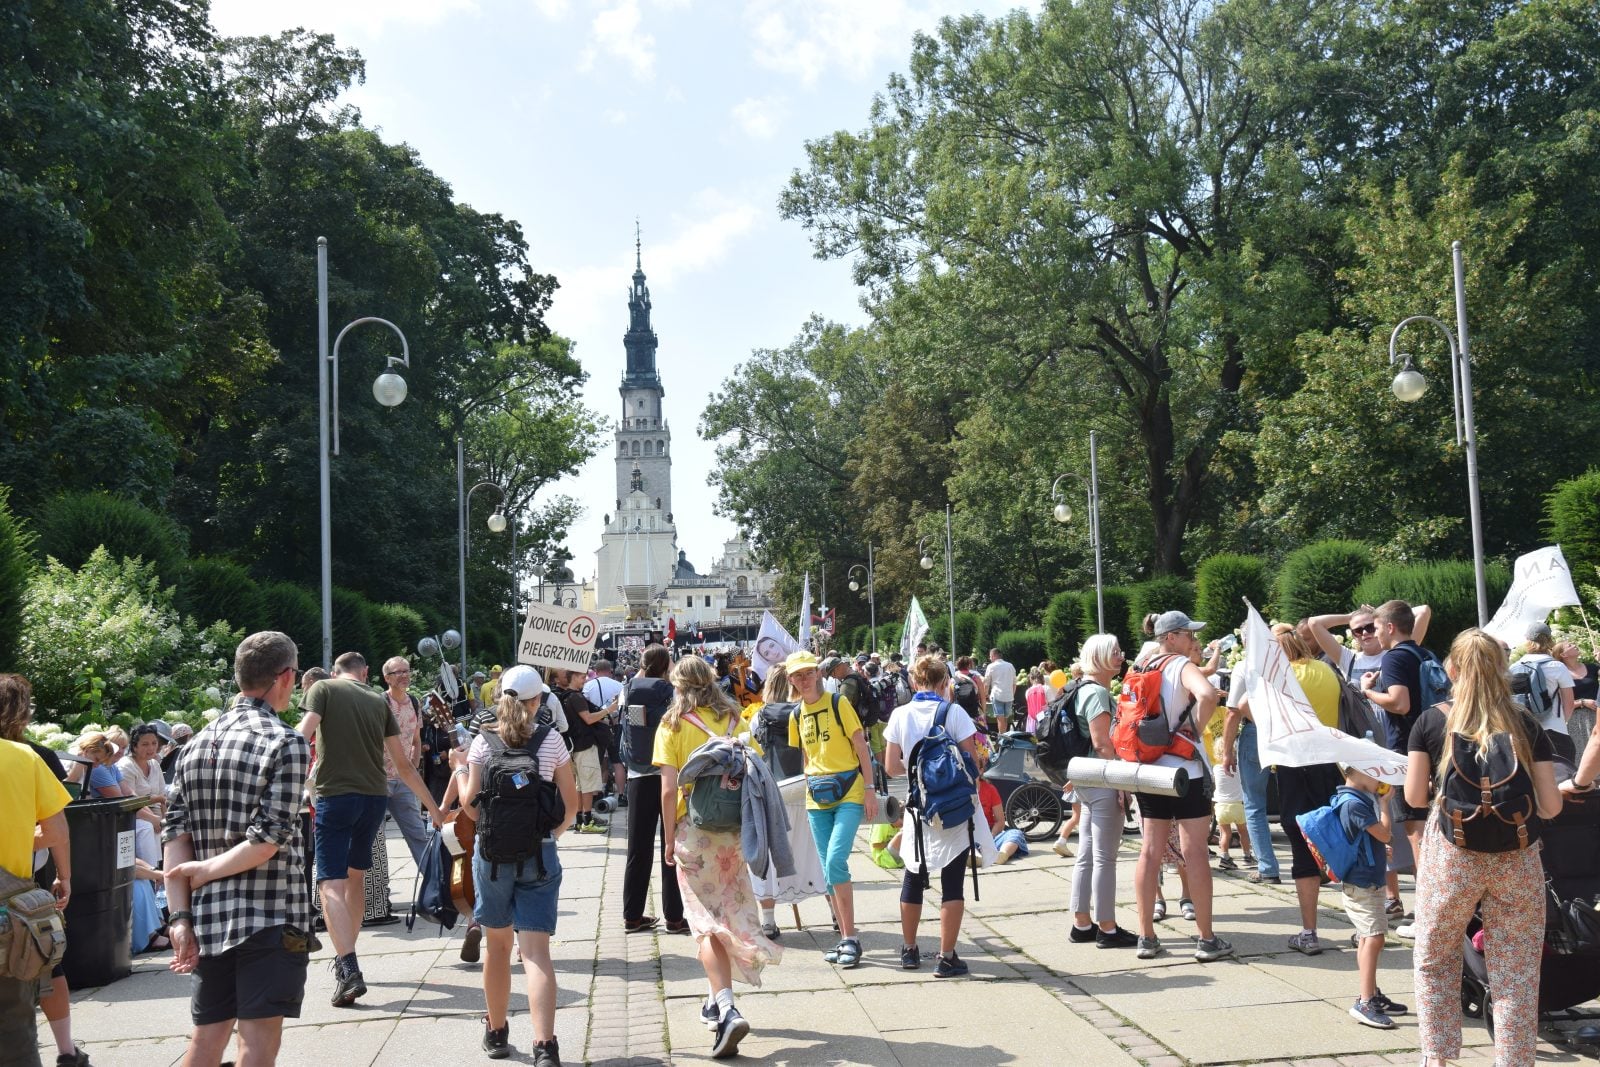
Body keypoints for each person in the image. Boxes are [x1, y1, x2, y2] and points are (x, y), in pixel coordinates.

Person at [1407, 629, 1561, 1067]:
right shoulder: (1526, 724)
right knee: (1515, 971)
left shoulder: (1432, 721)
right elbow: (1548, 807)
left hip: (1452, 855)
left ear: (1451, 670)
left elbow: (1416, 797)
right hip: (1516, 856)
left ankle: (1437, 1059)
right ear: (1502, 669)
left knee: (1435, 958)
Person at [162, 631, 314, 1067]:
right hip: (270, 915)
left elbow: (175, 838)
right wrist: (206, 871)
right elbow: (267, 840)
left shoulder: (191, 747)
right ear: (285, 677)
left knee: (207, 1038)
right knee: (257, 1045)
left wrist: (180, 918)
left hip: (209, 917)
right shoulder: (285, 742)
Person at [297, 651, 443, 1007]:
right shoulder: (380, 704)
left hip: (336, 796)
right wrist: (434, 809)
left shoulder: (324, 689)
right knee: (356, 877)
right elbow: (405, 765)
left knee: (330, 881)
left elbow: (301, 735)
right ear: (365, 672)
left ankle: (348, 966)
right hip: (374, 798)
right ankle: (349, 952)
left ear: (334, 672)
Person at [657, 655, 781, 1059]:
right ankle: (714, 1001)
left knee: (706, 926)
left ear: (678, 685)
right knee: (727, 912)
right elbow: (757, 766)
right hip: (733, 834)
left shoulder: (673, 724)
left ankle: (726, 1008)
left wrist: (669, 839)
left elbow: (667, 790)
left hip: (696, 835)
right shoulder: (733, 718)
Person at [460, 665, 578, 1065]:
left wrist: (460, 771)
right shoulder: (552, 741)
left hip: (492, 857)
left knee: (497, 947)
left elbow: (470, 807)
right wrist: (550, 836)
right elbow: (571, 803)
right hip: (539, 855)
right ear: (537, 701)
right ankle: (545, 1045)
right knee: (536, 954)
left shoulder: (482, 742)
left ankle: (496, 1032)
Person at [884, 654, 994, 977]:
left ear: (914, 682)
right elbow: (972, 764)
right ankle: (946, 957)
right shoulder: (954, 712)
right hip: (954, 810)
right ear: (945, 682)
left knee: (913, 877)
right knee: (953, 883)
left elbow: (891, 767)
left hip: (919, 810)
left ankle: (909, 950)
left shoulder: (900, 715)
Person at [1131, 611, 1232, 962]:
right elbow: (1208, 694)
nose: (1193, 641)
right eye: (1188, 634)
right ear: (1171, 638)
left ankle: (1146, 937)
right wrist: (1191, 732)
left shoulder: (1141, 665)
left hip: (1147, 771)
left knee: (1149, 852)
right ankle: (1206, 939)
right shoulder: (1177, 664)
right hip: (1185, 772)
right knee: (1195, 853)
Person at [0, 675, 78, 1067]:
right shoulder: (25, 757)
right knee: (14, 1025)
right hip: (6, 910)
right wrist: (64, 877)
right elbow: (56, 831)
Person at [786, 650, 877, 968]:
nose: (804, 679)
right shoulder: (795, 715)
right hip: (817, 799)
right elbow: (808, 757)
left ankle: (851, 937)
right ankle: (845, 938)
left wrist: (869, 789)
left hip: (849, 791)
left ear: (818, 673)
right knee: (827, 873)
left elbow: (860, 746)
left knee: (837, 861)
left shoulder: (839, 703)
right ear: (791, 681)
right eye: (798, 675)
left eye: (808, 672)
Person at [1260, 623, 1342, 955]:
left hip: (1294, 766)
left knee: (1300, 848)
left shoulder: (1279, 680)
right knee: (1340, 843)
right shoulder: (1325, 670)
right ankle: (1366, 928)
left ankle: (1309, 932)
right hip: (1330, 762)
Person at [1065, 635, 1139, 948]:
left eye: (1120, 651)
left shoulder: (1080, 688)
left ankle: (1082, 922)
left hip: (1085, 778)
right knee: (1105, 858)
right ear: (1099, 657)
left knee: (1086, 855)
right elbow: (1101, 743)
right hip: (1102, 778)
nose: (1121, 657)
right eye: (1114, 652)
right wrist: (1122, 783)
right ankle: (1107, 928)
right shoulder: (1096, 693)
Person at [1331, 763, 1407, 1029]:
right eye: (1375, 772)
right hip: (1363, 885)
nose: (1380, 778)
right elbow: (1386, 834)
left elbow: (1369, 839)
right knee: (1374, 938)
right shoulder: (1355, 804)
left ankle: (1371, 994)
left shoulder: (1353, 800)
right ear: (1355, 772)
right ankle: (1364, 1002)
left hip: (1364, 881)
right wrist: (1385, 804)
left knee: (1367, 937)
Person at [620, 645, 688, 934]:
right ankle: (674, 916)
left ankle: (632, 915)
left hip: (638, 774)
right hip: (666, 773)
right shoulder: (671, 691)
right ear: (666, 665)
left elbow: (629, 730)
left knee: (638, 847)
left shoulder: (630, 689)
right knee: (669, 846)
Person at [378, 656, 432, 865]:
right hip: (379, 780)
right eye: (397, 672)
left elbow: (416, 740)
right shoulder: (380, 703)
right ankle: (381, 893)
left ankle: (433, 887)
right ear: (387, 678)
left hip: (404, 780)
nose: (403, 676)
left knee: (418, 834)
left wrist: (414, 766)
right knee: (376, 839)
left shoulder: (415, 702)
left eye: (406, 671)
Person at [553, 669, 609, 833]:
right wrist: (609, 709)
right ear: (574, 677)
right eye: (582, 677)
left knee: (579, 785)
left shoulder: (565, 697)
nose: (585, 680)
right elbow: (589, 718)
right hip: (585, 745)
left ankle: (578, 820)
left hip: (573, 746)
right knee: (588, 785)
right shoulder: (576, 697)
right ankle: (588, 820)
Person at [1511, 622, 1576, 760]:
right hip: (1555, 731)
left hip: (1525, 732)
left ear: (1528, 641)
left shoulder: (1514, 668)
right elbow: (1569, 703)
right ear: (1549, 640)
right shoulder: (1557, 666)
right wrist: (1561, 722)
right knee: (1562, 776)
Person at [583, 660, 627, 806]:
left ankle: (596, 793)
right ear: (610, 670)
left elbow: (584, 707)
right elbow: (624, 707)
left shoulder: (588, 686)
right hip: (616, 726)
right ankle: (621, 795)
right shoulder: (619, 685)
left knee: (596, 761)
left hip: (597, 727)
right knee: (617, 761)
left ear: (596, 670)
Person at [1210, 731, 1251, 871]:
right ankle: (1247, 856)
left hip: (1221, 806)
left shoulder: (1216, 769)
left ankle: (1224, 857)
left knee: (1225, 833)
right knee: (1243, 832)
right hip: (1238, 805)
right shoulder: (1239, 768)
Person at [983, 648, 1017, 734]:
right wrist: (1012, 695)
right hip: (1009, 696)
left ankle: (1001, 740)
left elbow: (986, 683)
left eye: (990, 656)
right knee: (1005, 719)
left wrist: (985, 694)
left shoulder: (991, 666)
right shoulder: (1010, 665)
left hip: (997, 695)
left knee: (1000, 719)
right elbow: (1014, 683)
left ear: (994, 656)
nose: (990, 658)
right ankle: (1004, 737)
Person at [1023, 669, 1047, 733]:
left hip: (1032, 718)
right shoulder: (1045, 688)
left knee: (1033, 739)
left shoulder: (1027, 691)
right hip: (1044, 716)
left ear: (1031, 679)